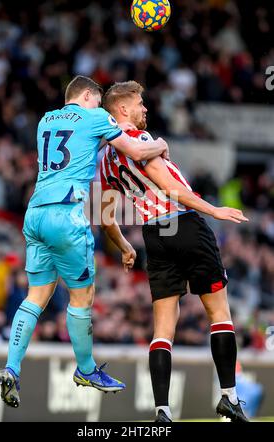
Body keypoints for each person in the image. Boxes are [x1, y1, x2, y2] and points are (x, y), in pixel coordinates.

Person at [0, 75, 169, 408]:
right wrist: (161, 145)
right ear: (88, 95)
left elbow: (78, 147)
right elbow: (134, 149)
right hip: (67, 214)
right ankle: (87, 369)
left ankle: (11, 368)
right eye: (98, 99)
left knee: (37, 295)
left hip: (35, 213)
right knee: (83, 295)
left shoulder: (46, 121)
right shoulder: (95, 117)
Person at [100, 81, 249, 422]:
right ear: (122, 109)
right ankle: (229, 397)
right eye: (140, 103)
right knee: (219, 314)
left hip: (154, 236)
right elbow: (172, 190)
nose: (145, 109)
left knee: (163, 328)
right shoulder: (140, 141)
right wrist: (215, 211)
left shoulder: (105, 159)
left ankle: (162, 411)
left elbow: (105, 216)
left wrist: (124, 245)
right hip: (184, 225)